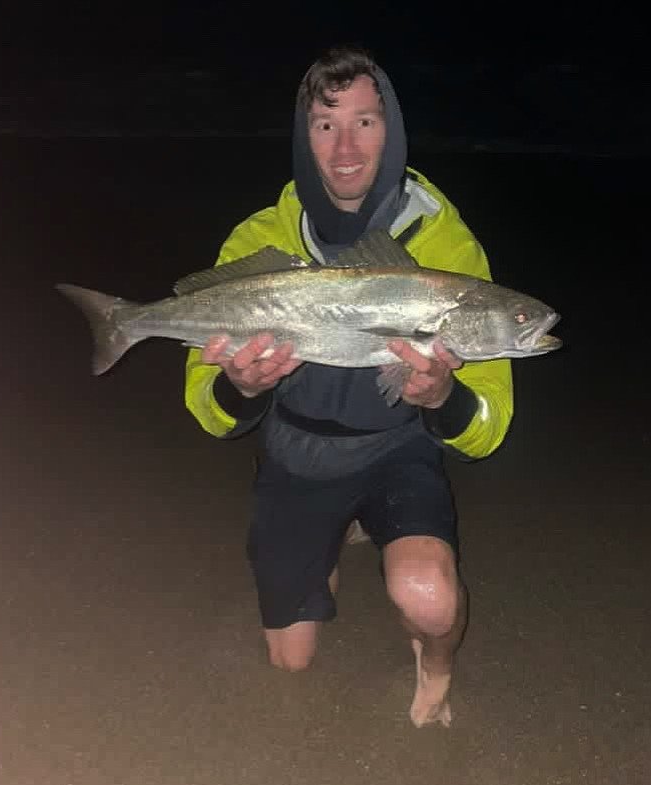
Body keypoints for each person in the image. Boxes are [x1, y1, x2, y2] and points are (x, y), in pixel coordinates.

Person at [184, 45, 513, 728]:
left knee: (426, 593)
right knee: (291, 660)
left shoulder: (445, 249)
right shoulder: (260, 239)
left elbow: (488, 427)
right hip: (296, 454)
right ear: (302, 137)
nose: (344, 146)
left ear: (391, 130)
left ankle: (439, 664)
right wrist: (239, 387)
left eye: (365, 121)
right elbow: (207, 409)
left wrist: (438, 398)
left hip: (395, 452)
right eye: (325, 123)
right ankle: (334, 530)